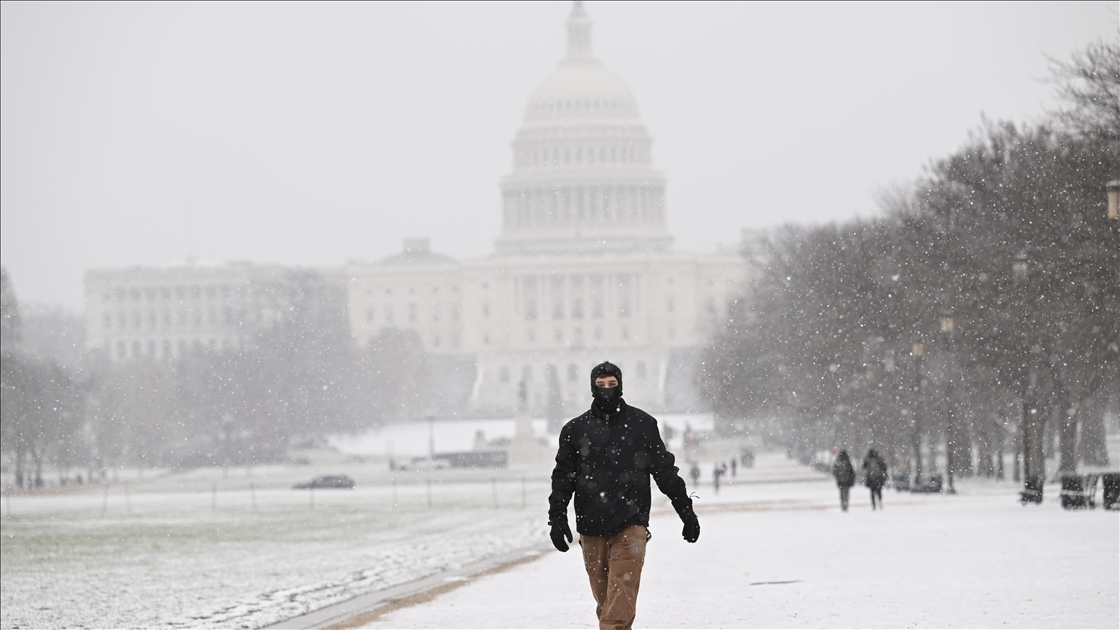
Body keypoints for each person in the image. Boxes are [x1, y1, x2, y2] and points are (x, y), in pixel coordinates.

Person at [549, 361, 700, 630]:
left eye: (612, 384)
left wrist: (686, 512)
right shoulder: (575, 430)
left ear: (620, 385)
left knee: (621, 596)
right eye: (600, 385)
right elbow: (563, 477)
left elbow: (665, 472)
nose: (606, 390)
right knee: (608, 600)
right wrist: (557, 516)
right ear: (592, 388)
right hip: (591, 525)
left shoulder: (642, 424)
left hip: (631, 523)